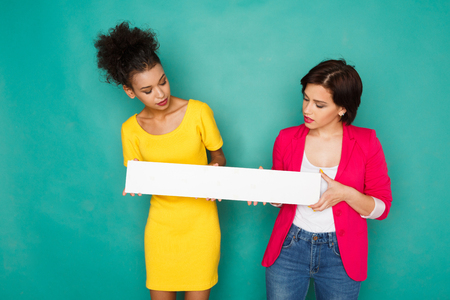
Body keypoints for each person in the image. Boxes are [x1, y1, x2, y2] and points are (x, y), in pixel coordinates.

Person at [94, 22, 226, 300]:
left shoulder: (199, 112)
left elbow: (218, 156)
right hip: (161, 227)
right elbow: (138, 176)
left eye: (163, 81)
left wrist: (216, 171)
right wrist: (135, 183)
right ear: (130, 91)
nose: (161, 94)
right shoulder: (130, 130)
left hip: (201, 224)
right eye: (148, 90)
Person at [261, 59, 392, 299]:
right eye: (306, 98)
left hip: (341, 254)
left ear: (342, 108)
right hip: (290, 245)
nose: (307, 110)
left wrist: (346, 193)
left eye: (319, 105)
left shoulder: (367, 142)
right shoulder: (286, 138)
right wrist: (267, 189)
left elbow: (382, 208)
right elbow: (280, 199)